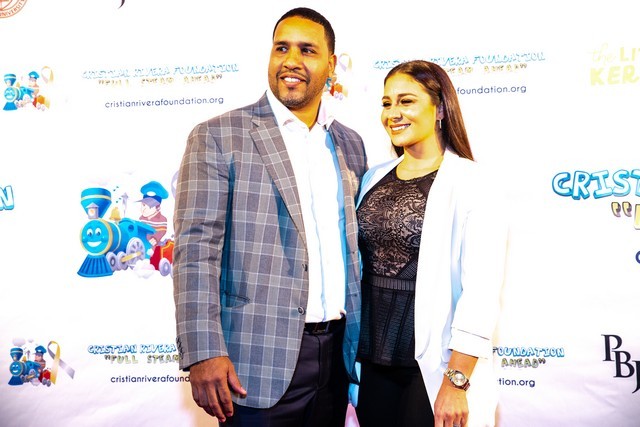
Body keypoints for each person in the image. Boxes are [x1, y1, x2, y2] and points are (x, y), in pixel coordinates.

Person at [172, 7, 367, 427]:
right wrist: (203, 350)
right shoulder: (219, 135)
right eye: (282, 48)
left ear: (332, 64)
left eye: (307, 50)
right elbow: (195, 249)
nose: (291, 60)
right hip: (255, 360)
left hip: (336, 357)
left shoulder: (350, 143)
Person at [352, 60, 508, 427]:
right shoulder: (372, 178)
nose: (393, 113)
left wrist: (456, 382)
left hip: (433, 368)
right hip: (371, 363)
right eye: (387, 103)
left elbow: (481, 291)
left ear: (439, 110)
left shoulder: (472, 182)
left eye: (406, 101)